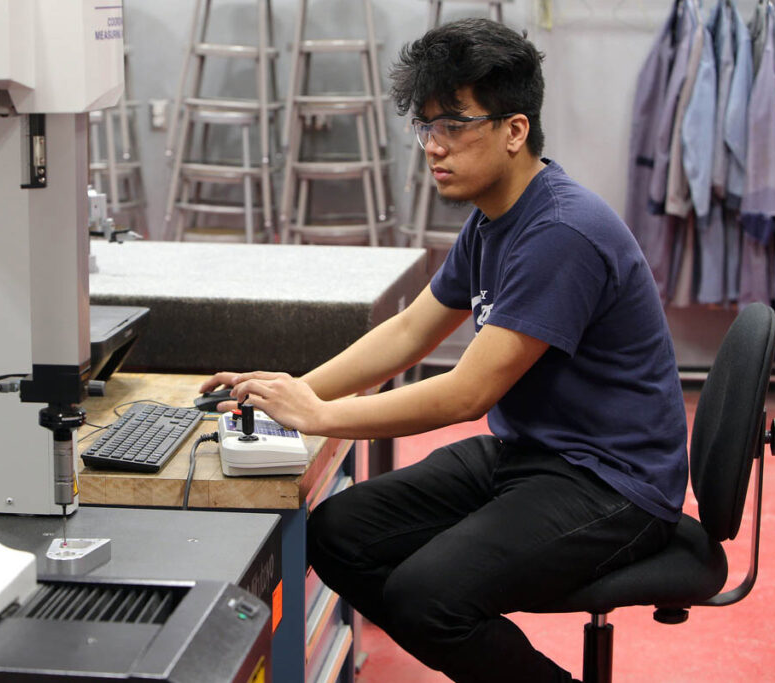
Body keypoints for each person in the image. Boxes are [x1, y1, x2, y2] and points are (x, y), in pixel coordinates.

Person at [200, 18, 687, 683]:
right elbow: (409, 333)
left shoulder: (561, 232)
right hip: (532, 454)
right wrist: (290, 391)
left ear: (515, 130)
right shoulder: (494, 220)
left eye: (453, 125)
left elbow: (467, 392)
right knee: (337, 534)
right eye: (427, 128)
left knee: (428, 598)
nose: (434, 147)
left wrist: (314, 413)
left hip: (613, 482)